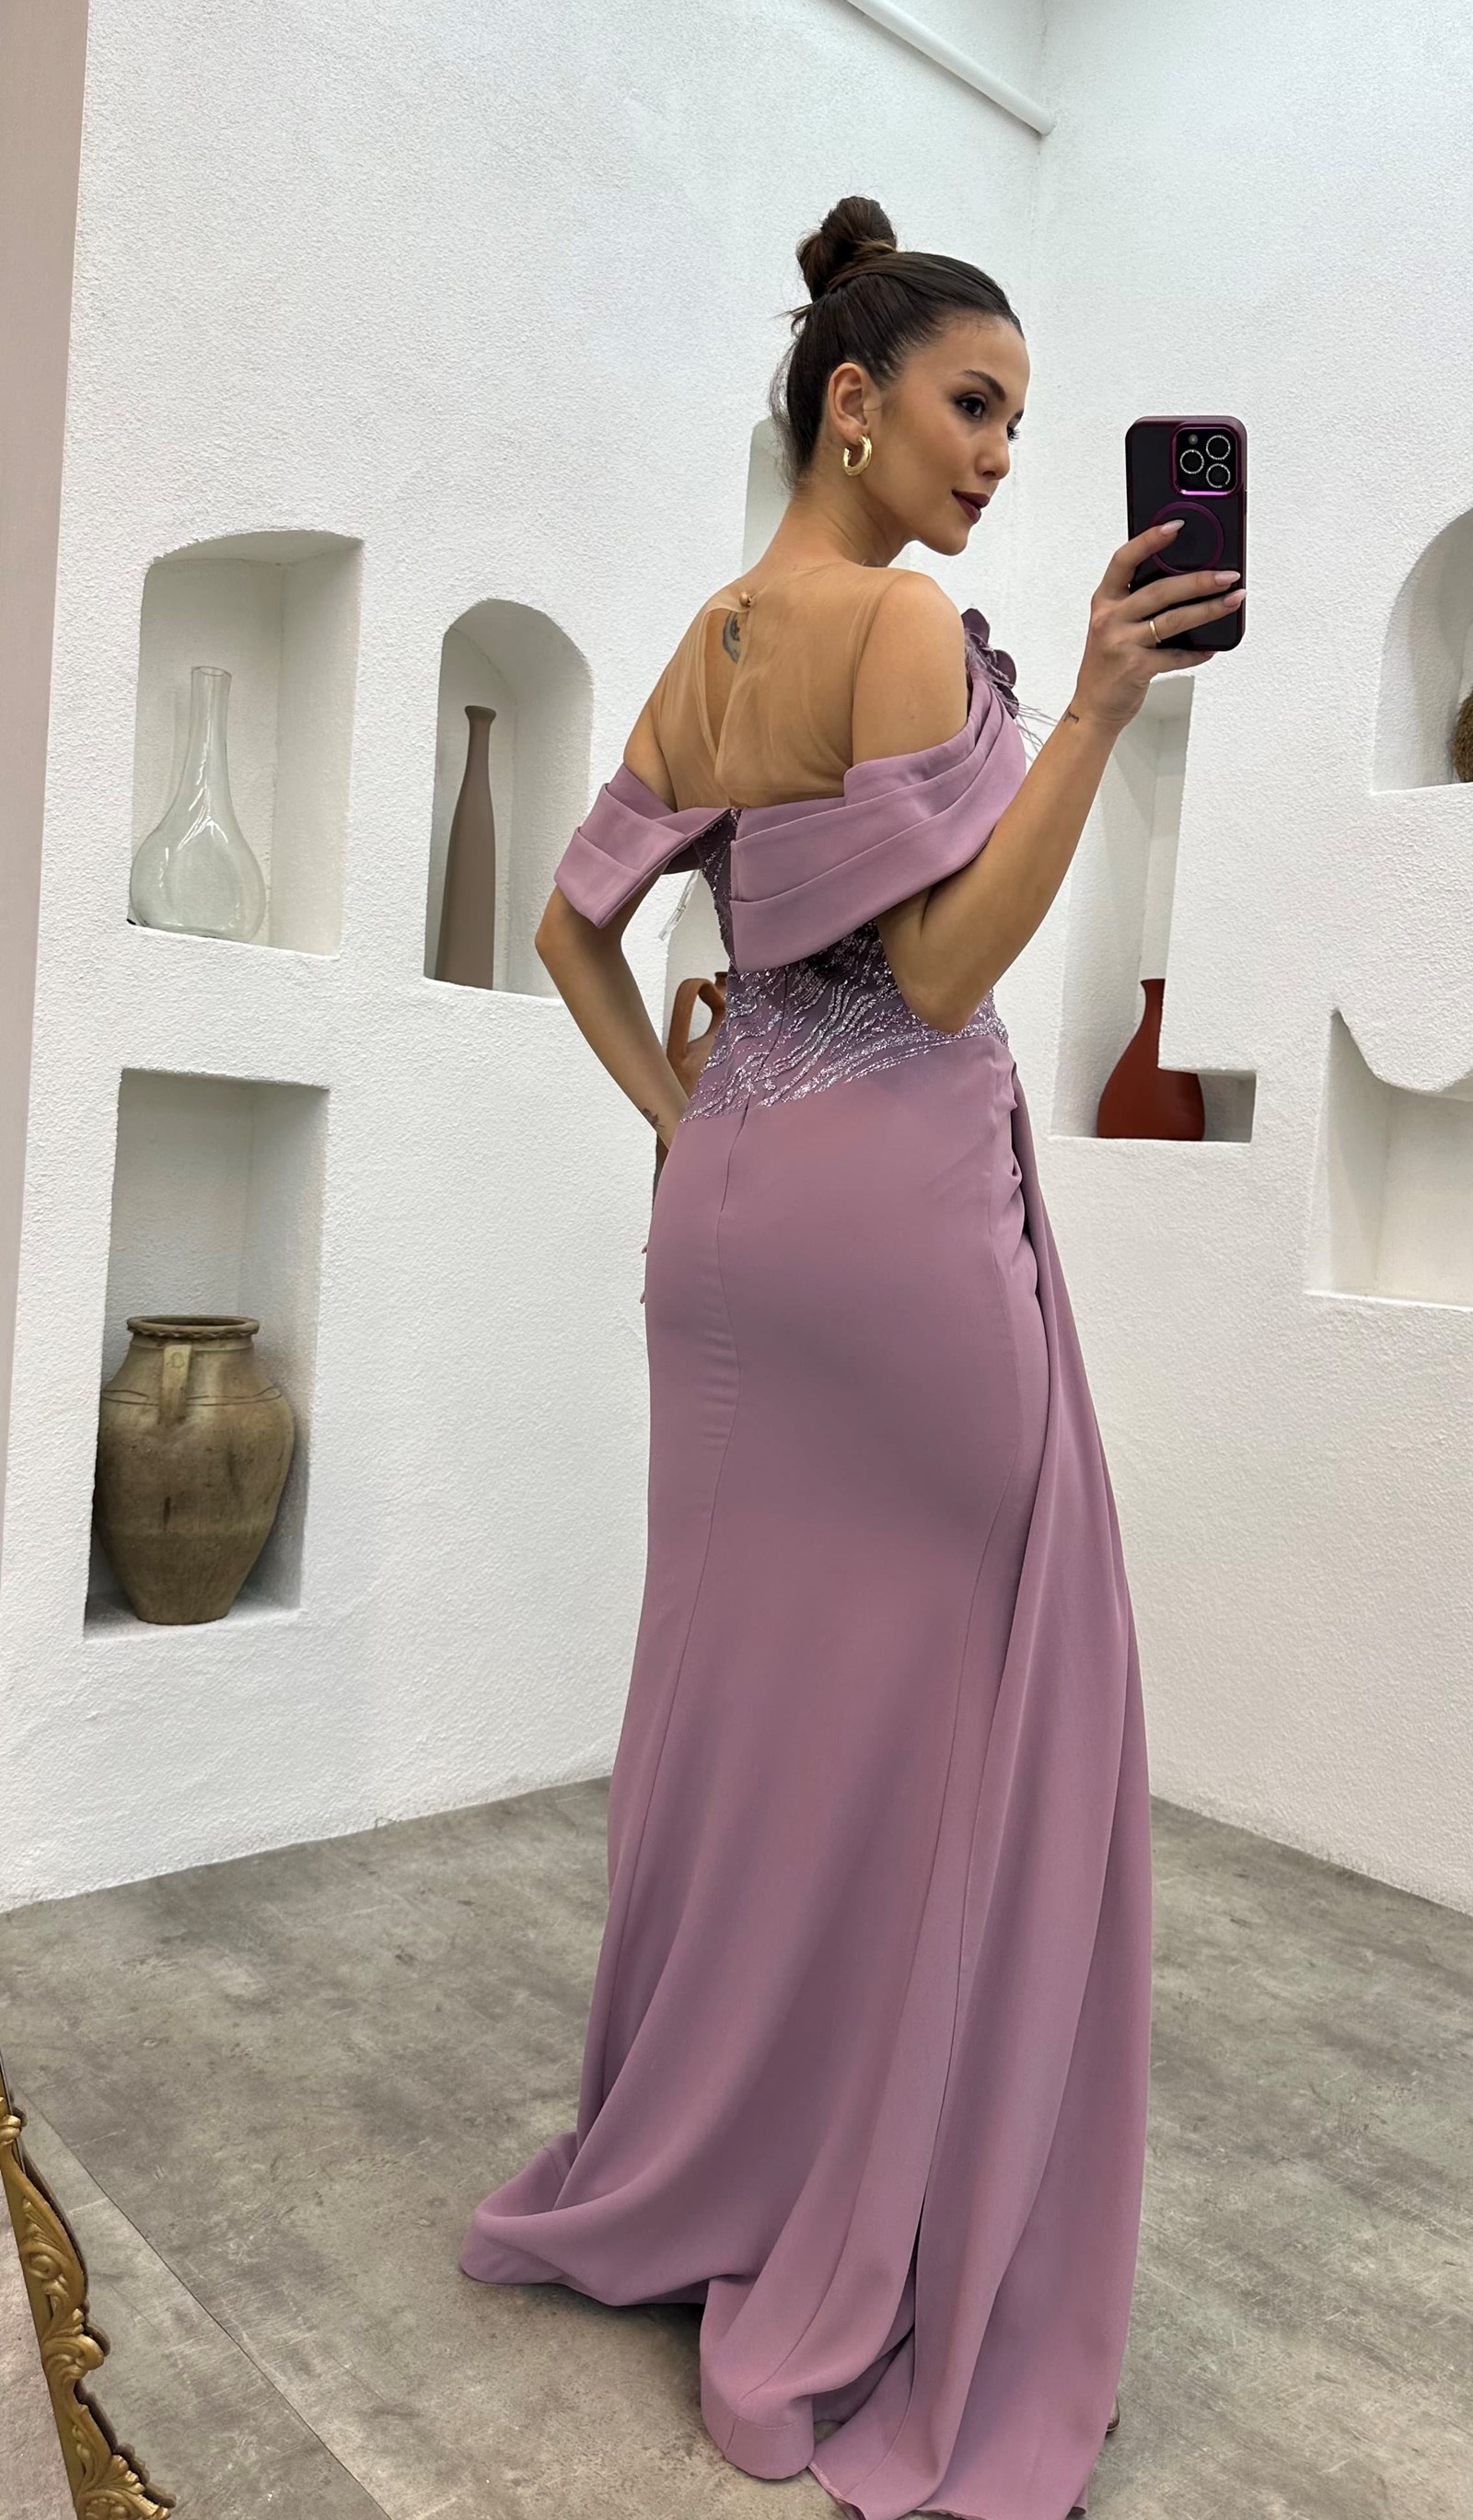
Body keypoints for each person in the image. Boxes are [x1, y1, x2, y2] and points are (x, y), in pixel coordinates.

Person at [458, 193, 1245, 2520]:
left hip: (724, 1225)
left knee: (739, 1719)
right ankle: (867, 2218)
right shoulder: (900, 619)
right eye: (971, 407)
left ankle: (696, 2158)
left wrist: (684, 1116)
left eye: (1016, 422)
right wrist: (1091, 707)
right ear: (850, 403)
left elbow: (570, 928)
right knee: (948, 1724)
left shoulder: (710, 637)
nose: (996, 456)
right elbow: (935, 977)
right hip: (892, 1224)